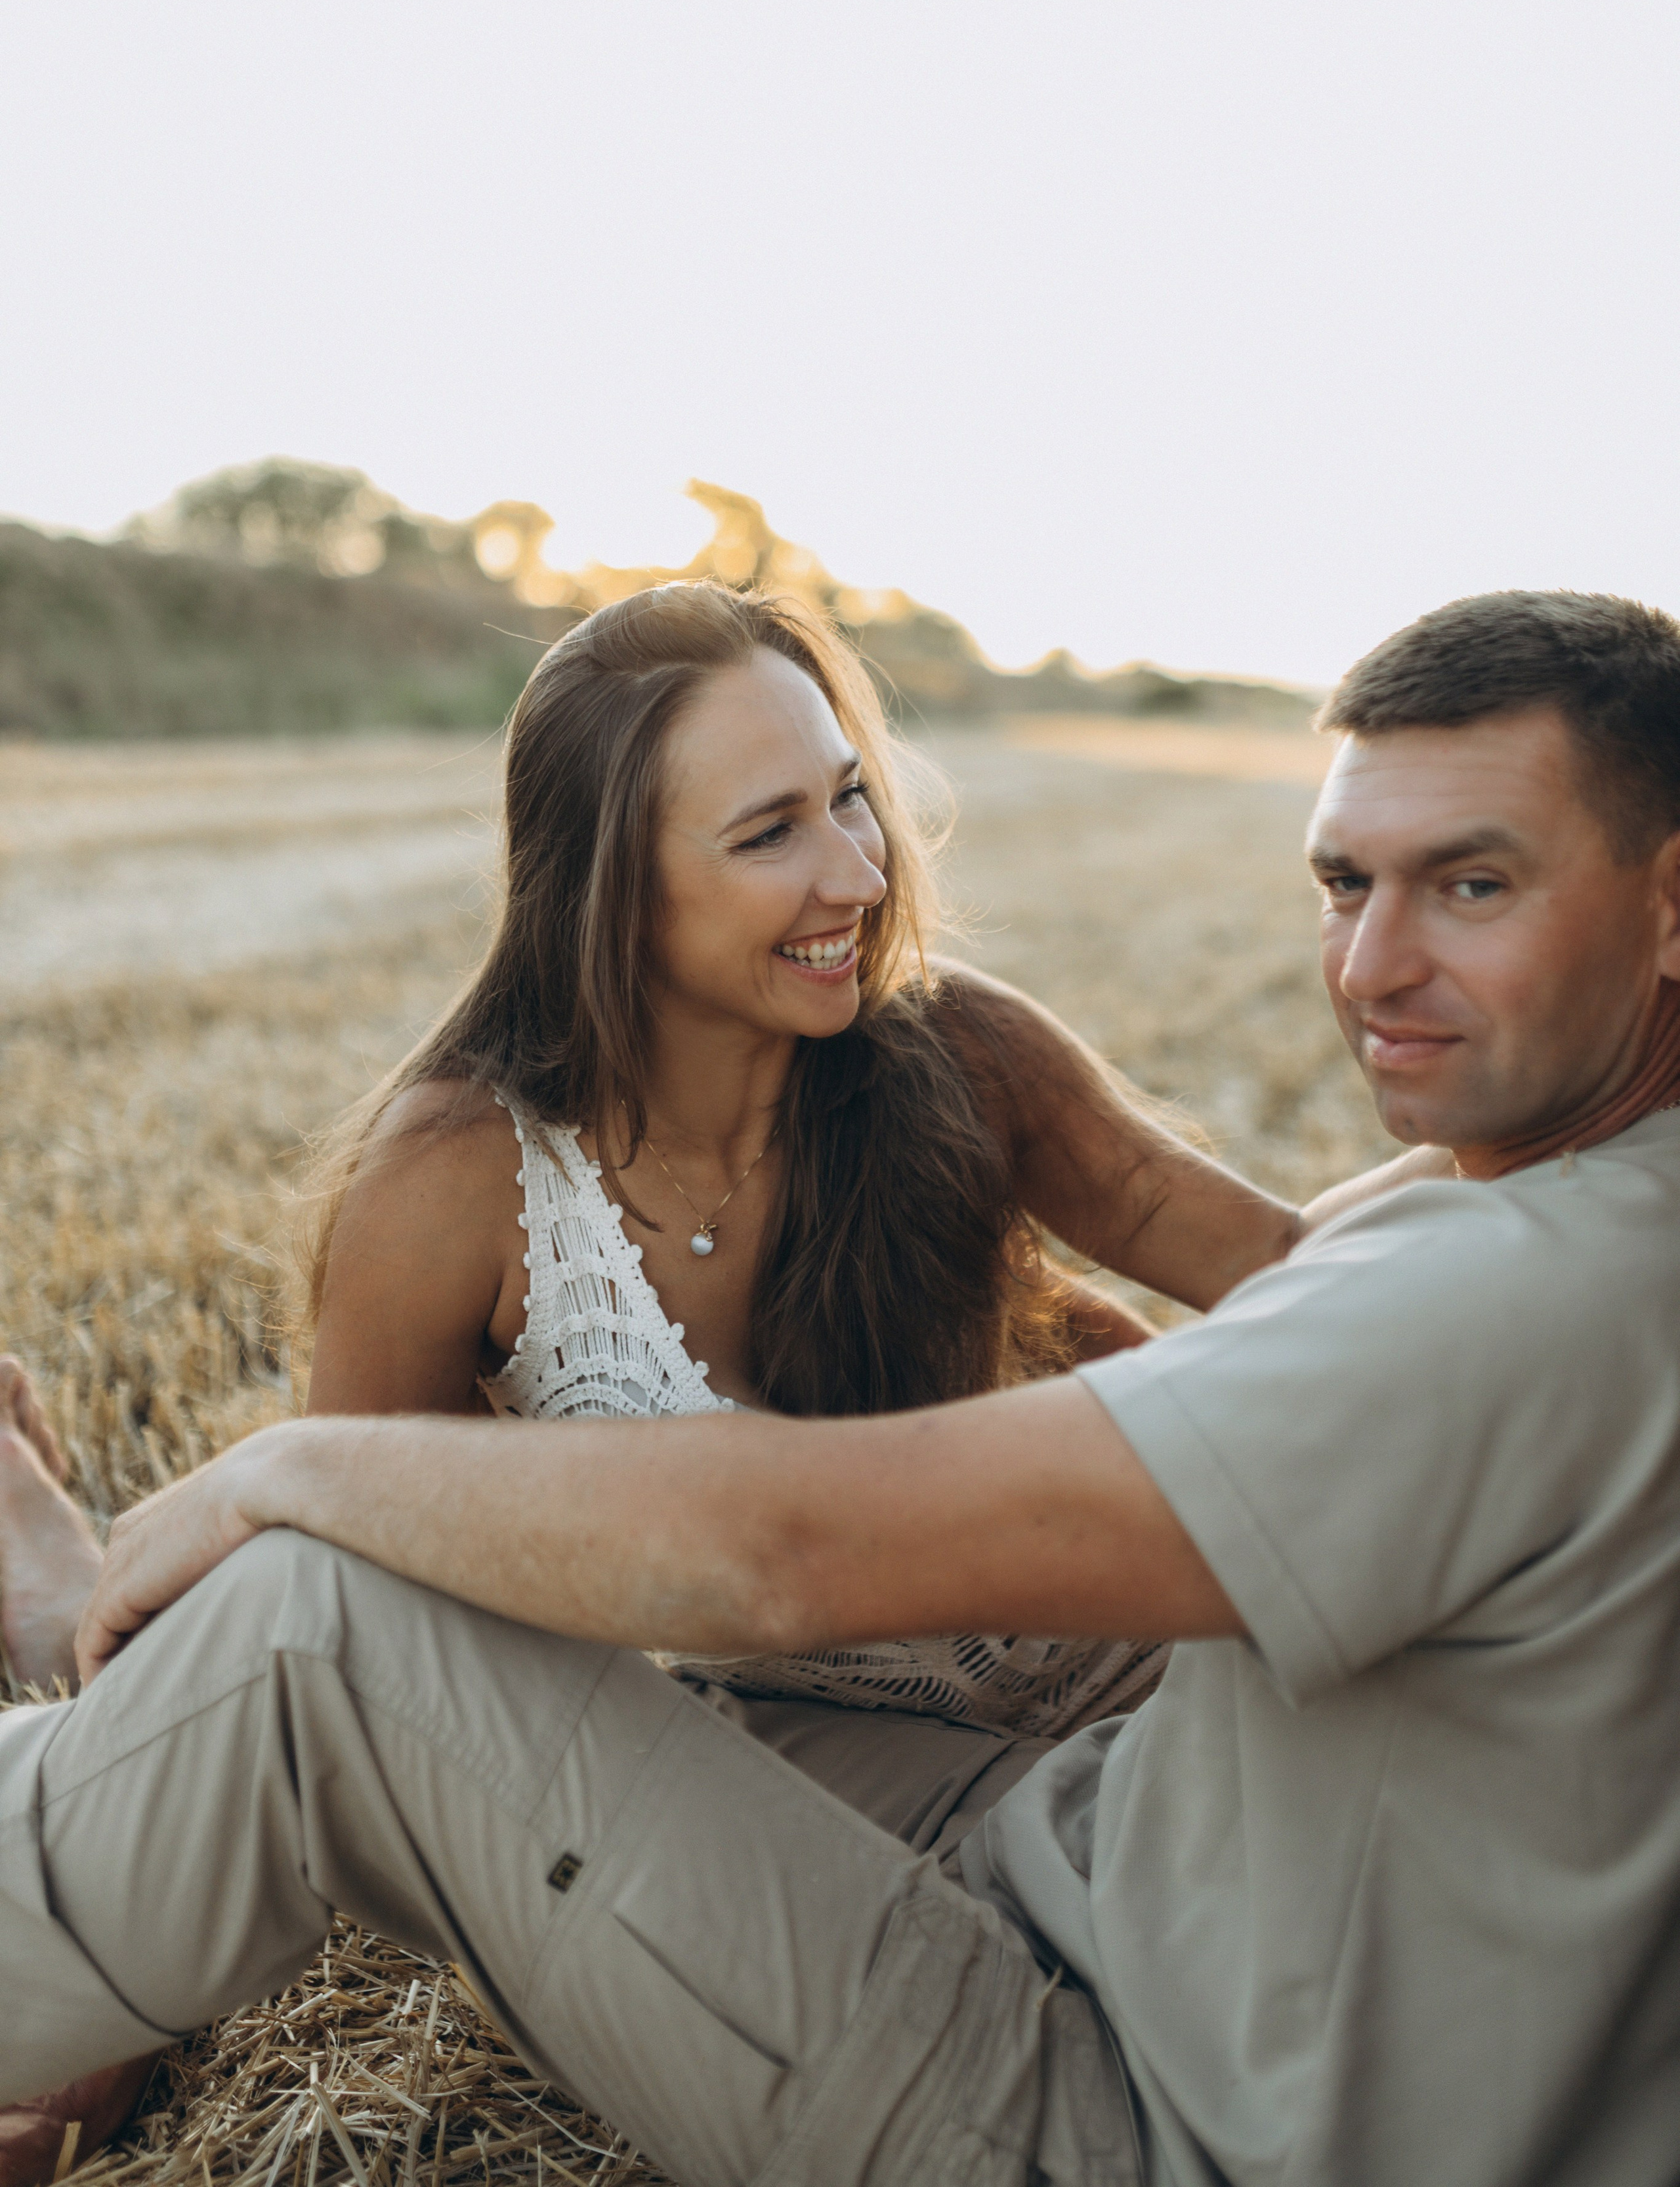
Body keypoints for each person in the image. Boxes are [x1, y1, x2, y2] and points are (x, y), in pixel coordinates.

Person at [3, 586, 1679, 2187]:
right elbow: (1361, 1318)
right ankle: (58, 1607)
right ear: (613, 891)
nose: (858, 871)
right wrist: (1248, 1402)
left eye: (1470, 887)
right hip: (977, 1794)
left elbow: (789, 1540)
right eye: (768, 831)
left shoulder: (994, 1074)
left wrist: (282, 1470)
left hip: (1115, 1965)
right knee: (277, 1623)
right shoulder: (461, 1175)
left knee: (308, 1619)